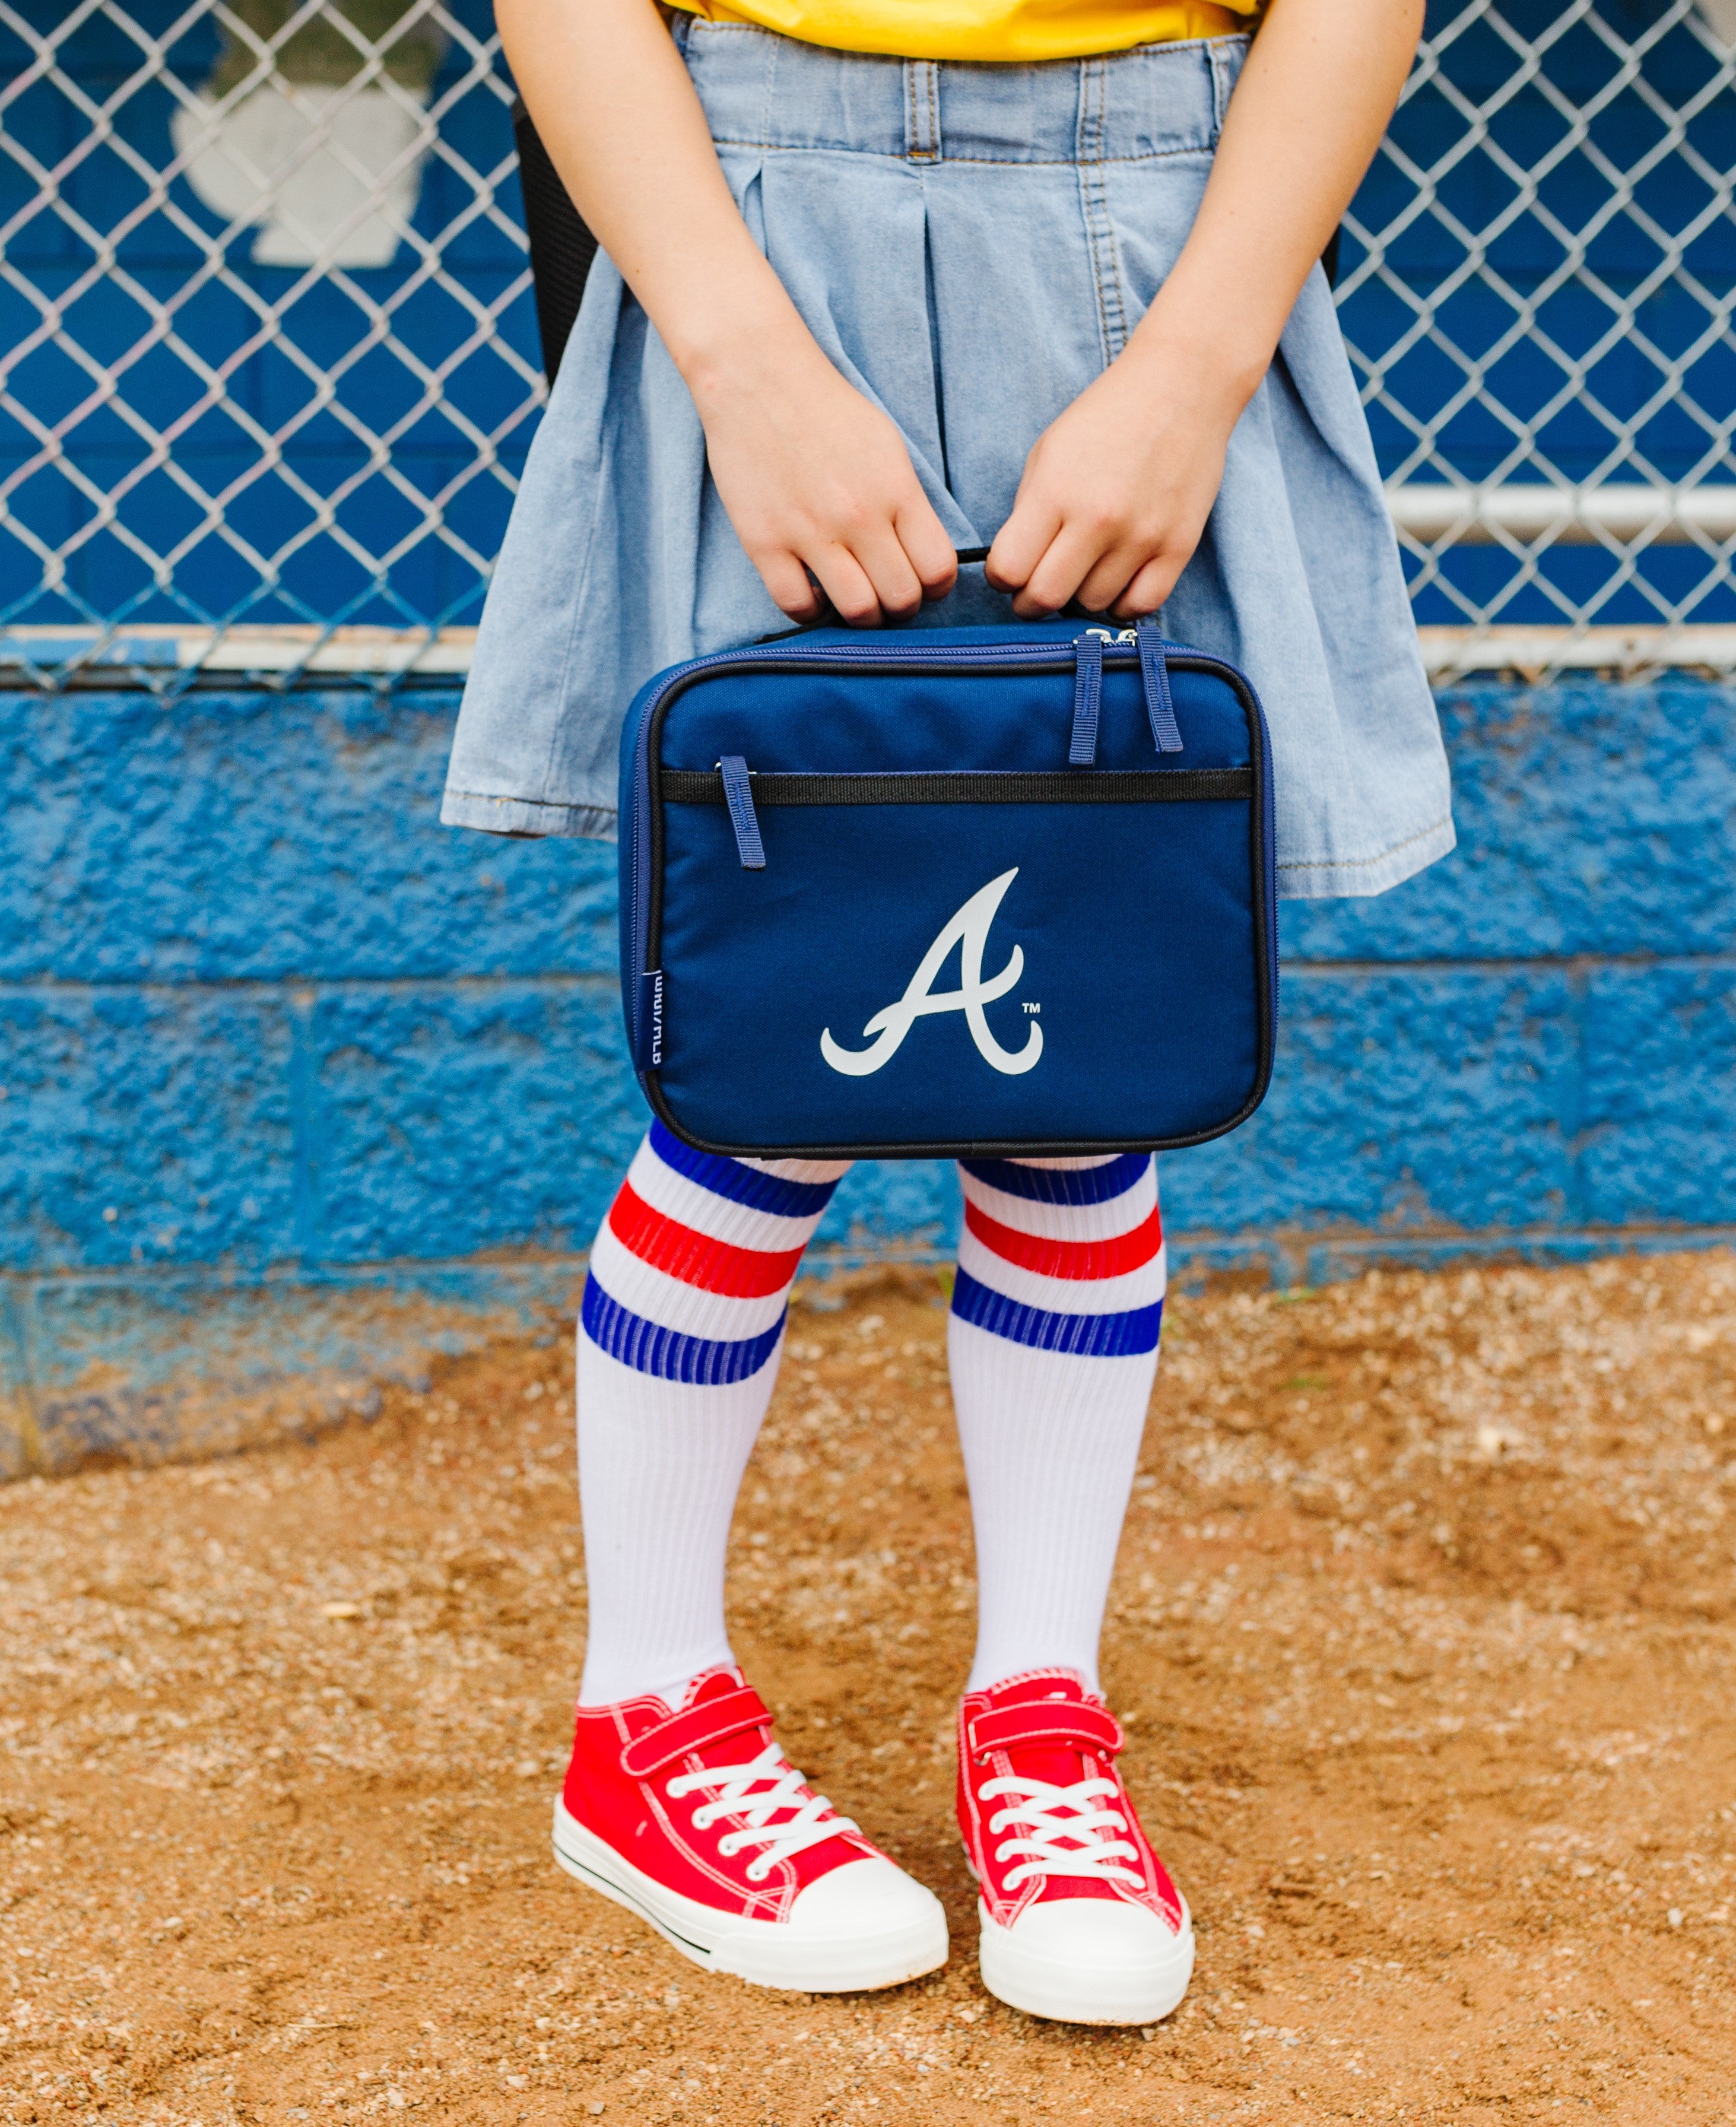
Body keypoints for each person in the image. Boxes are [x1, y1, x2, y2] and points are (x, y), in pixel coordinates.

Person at [442, 0, 1448, 2028]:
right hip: (749, 225)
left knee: (1081, 1057)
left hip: (1155, 230)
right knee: (777, 1051)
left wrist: (1191, 364)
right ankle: (639, 1720)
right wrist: (736, 353)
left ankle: (1042, 1721)